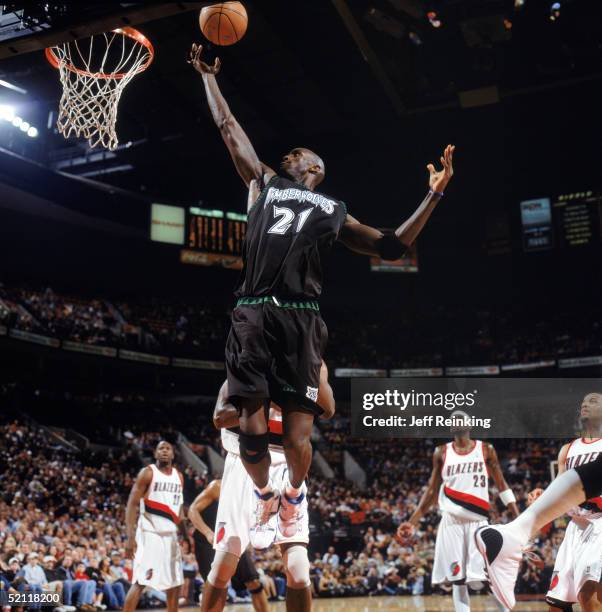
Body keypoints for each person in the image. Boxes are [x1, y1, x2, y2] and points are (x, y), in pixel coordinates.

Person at [188, 43, 455, 536]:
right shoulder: (263, 182)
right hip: (253, 308)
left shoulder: (333, 210)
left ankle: (291, 495)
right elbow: (228, 129)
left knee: (297, 432)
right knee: (248, 427)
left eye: (299, 153)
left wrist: (434, 193)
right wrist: (208, 77)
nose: (289, 152)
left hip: (301, 316)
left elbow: (392, 246)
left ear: (313, 168)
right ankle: (266, 492)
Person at [198, 362, 335, 612]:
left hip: (288, 464)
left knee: (299, 571)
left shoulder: (310, 359)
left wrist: (305, 390)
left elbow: (327, 409)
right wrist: (265, 400)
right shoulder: (250, 358)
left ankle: (288, 499)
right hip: (244, 463)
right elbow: (219, 417)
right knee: (221, 569)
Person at [478, 393, 602, 610]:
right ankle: (512, 537)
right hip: (576, 528)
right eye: (583, 402)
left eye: (593, 401)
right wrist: (543, 496)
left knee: (588, 595)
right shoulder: (567, 450)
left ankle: (510, 537)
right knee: (556, 603)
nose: (585, 404)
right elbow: (562, 493)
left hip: (599, 523)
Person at [397, 410, 519, 612]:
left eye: (461, 418)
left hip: (478, 520)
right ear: (450, 426)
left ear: (470, 424)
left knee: (488, 574)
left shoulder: (486, 449)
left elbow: (501, 484)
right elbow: (430, 492)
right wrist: (412, 521)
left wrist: (518, 515)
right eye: (452, 419)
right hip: (452, 522)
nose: (456, 421)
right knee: (458, 577)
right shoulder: (441, 452)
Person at [123, 441, 184, 612]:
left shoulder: (179, 476)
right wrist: (129, 537)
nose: (164, 451)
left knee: (175, 583)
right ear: (156, 454)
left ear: (173, 454)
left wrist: (185, 535)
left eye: (168, 449)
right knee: (141, 582)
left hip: (171, 536)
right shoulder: (148, 473)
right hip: (150, 534)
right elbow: (132, 504)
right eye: (160, 449)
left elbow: (178, 508)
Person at [189, 480, 268, 612]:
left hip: (232, 539)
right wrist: (208, 533)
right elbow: (192, 510)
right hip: (207, 542)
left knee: (254, 582)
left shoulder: (252, 494)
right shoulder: (218, 486)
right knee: (216, 587)